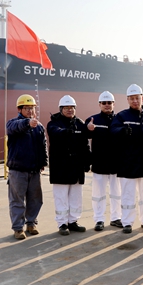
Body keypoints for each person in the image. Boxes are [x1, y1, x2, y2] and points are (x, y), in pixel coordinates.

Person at [110, 84, 143, 234]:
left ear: (142, 98)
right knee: (128, 194)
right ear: (128, 100)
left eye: (137, 98)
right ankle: (127, 222)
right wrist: (122, 130)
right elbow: (113, 130)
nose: (135, 101)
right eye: (132, 98)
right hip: (127, 162)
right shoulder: (121, 116)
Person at [47, 95, 91, 236]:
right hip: (60, 167)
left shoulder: (80, 123)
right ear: (61, 109)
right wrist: (66, 132)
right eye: (66, 108)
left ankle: (73, 221)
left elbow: (85, 144)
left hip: (76, 167)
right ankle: (62, 223)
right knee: (61, 197)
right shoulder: (54, 123)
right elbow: (54, 132)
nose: (69, 110)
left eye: (72, 107)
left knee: (76, 197)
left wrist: (87, 161)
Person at [6, 94, 48, 240]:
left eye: (32, 108)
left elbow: (43, 146)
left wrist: (43, 162)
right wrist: (27, 123)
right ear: (19, 109)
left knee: (35, 199)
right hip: (18, 170)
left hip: (34, 170)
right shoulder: (12, 123)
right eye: (27, 108)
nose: (30, 111)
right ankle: (18, 228)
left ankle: (31, 224)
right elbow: (15, 128)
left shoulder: (39, 126)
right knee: (17, 200)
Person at [85, 91, 122, 231]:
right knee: (98, 195)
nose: (107, 105)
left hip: (116, 164)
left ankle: (116, 218)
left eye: (109, 103)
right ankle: (99, 219)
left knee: (116, 194)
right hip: (99, 163)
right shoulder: (92, 120)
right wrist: (89, 130)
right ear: (99, 104)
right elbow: (84, 136)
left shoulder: (119, 119)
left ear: (114, 104)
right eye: (104, 103)